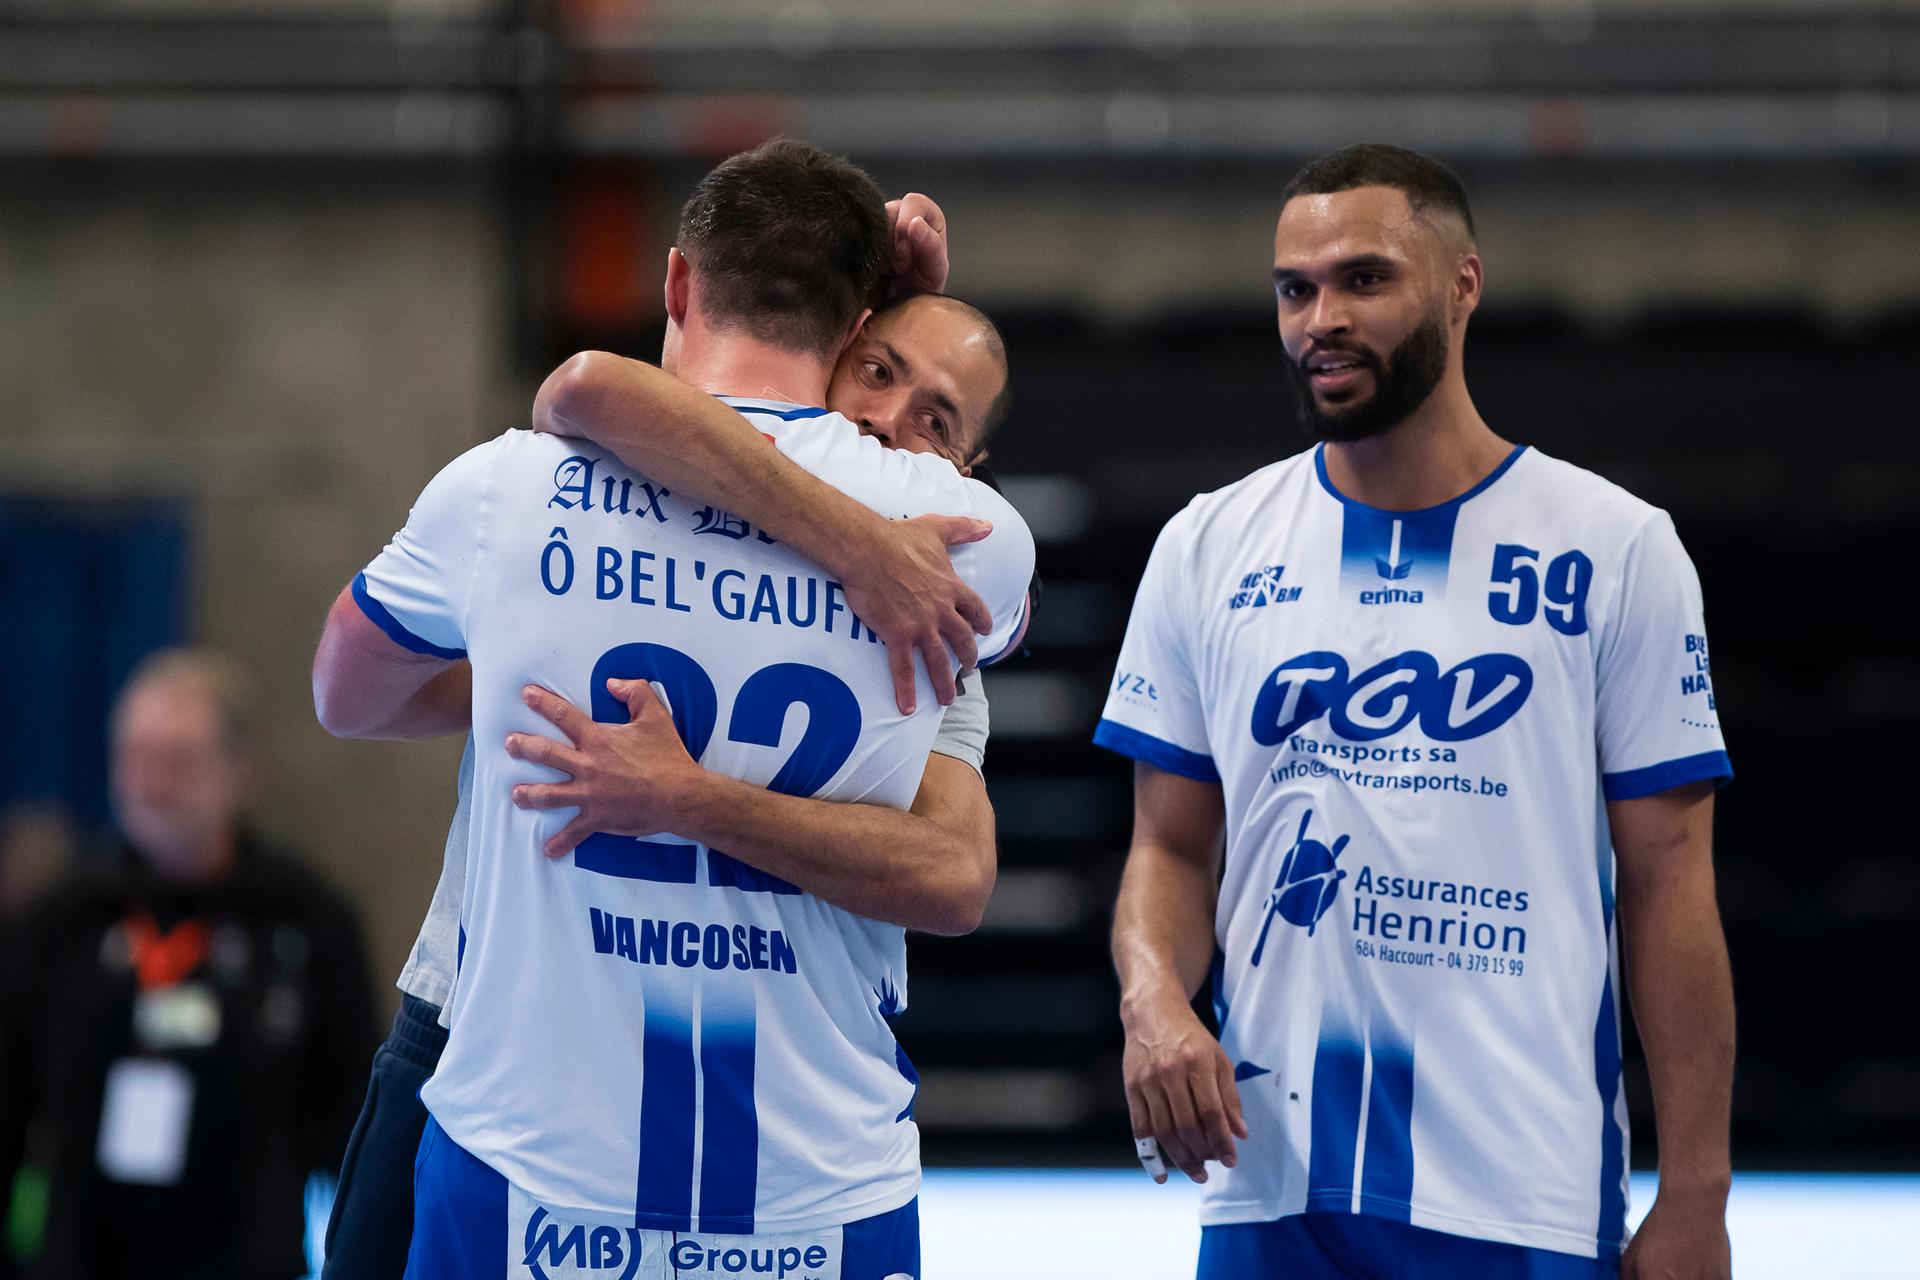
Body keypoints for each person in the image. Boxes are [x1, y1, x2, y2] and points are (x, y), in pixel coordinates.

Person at [313, 140, 1034, 1280]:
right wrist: (848, 540)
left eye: (938, 420)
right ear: (850, 333)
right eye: (883, 368)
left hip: (535, 1112)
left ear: (678, 286)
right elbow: (599, 389)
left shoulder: (518, 478)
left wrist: (667, 780)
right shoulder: (960, 566)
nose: (896, 426)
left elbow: (347, 695)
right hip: (792, 1152)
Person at [1098, 143, 1734, 1280]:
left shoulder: (1617, 545)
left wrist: (1696, 1196)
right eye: (1295, 289)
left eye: (1364, 280)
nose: (1320, 319)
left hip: (1520, 1193)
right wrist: (1153, 1000)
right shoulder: (1206, 542)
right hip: (1273, 1187)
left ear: (1462, 284)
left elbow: (1673, 884)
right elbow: (1170, 846)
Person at [0, 649, 376, 1280]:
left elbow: (352, 1128)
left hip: (246, 1258)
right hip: (83, 1256)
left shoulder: (308, 922)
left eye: (176, 761)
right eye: (136, 759)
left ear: (238, 772)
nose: (153, 783)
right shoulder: (62, 921)